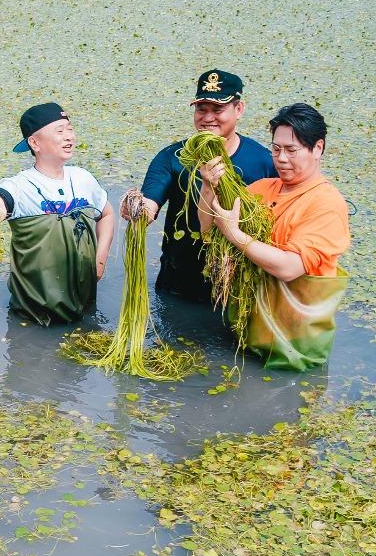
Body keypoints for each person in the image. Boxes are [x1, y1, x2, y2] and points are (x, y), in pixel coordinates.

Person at [0, 102, 116, 326]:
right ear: (35, 142)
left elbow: (107, 214)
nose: (69, 136)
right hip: (35, 317)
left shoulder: (83, 179)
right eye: (59, 131)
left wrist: (101, 258)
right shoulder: (18, 187)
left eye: (70, 129)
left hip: (84, 306)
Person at [204, 103, 351, 369]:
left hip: (296, 348)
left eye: (291, 150)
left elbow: (288, 267)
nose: (281, 159)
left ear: (317, 148)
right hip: (248, 336)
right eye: (276, 149)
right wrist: (209, 186)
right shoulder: (261, 189)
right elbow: (209, 232)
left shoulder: (327, 204)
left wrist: (235, 233)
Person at [127, 69, 276, 302]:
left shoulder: (263, 161)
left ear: (239, 109)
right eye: (201, 109)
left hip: (240, 285)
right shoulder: (172, 157)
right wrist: (135, 209)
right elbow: (149, 205)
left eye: (218, 110)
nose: (208, 118)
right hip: (178, 284)